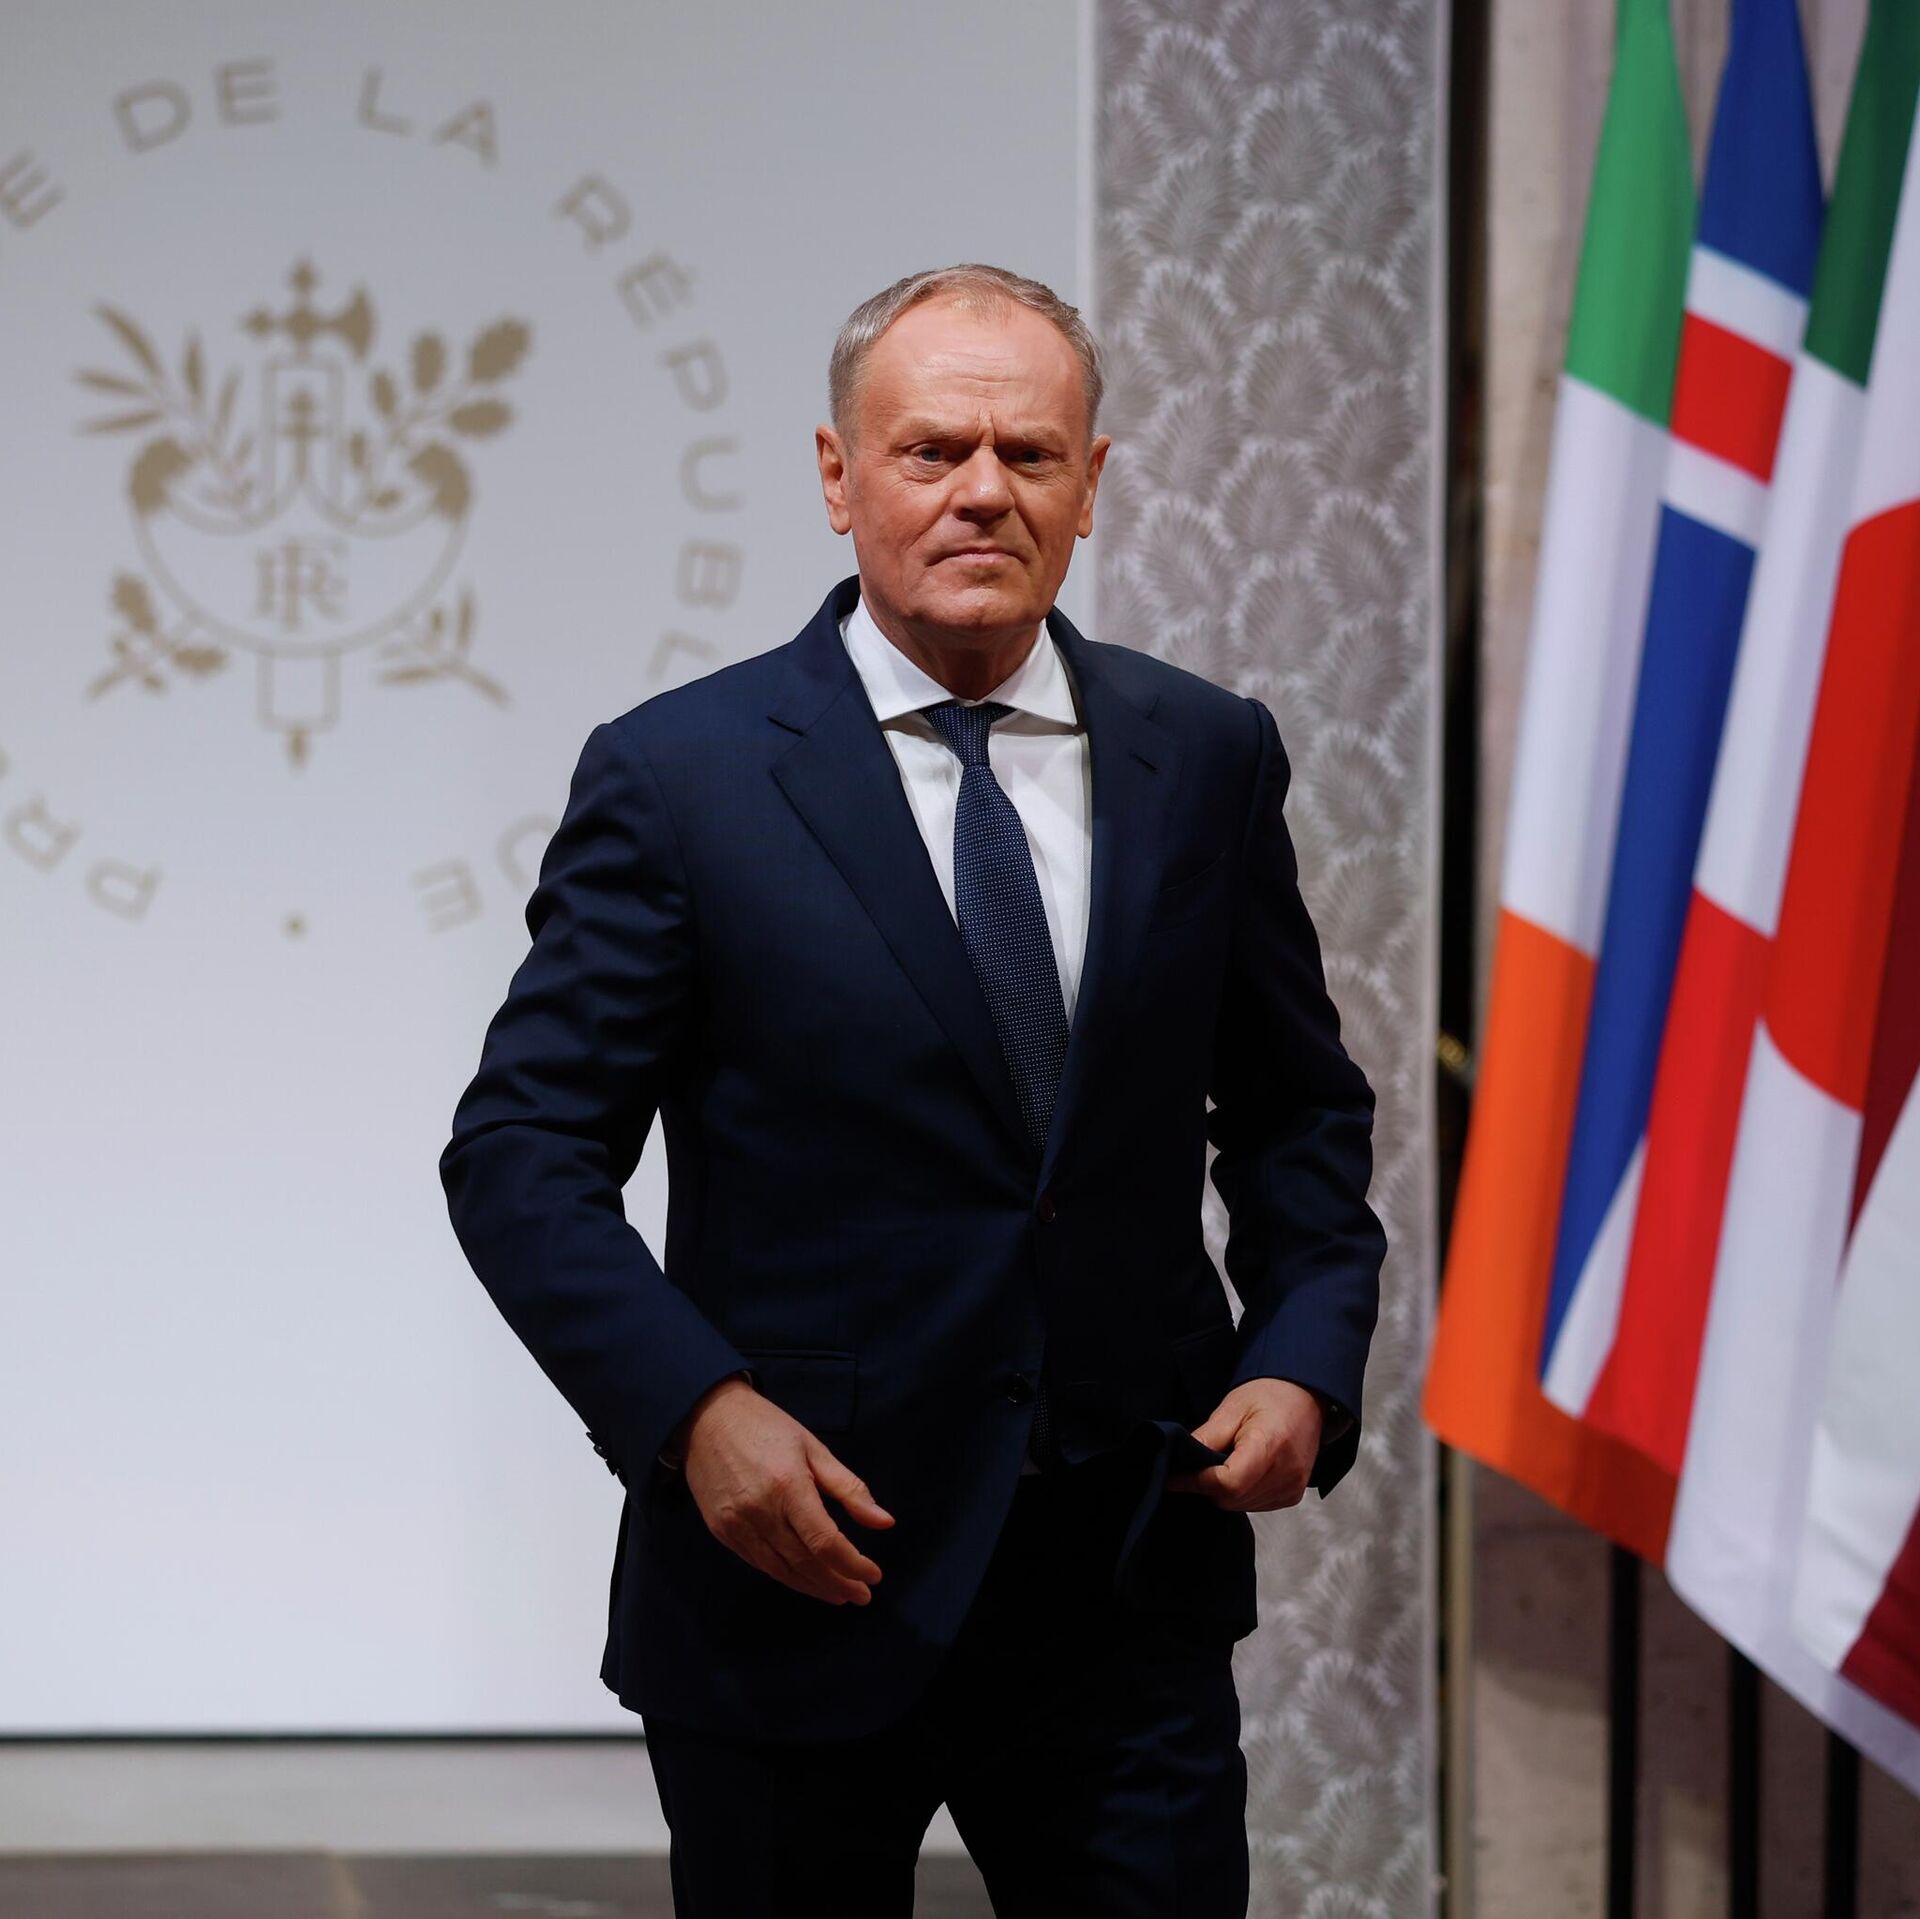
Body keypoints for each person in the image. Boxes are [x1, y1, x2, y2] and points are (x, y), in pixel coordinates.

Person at [439, 261, 1386, 1916]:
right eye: (933, 449)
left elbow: (1296, 1107)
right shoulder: (681, 777)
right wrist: (695, 1414)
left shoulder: (1206, 753)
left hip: (1125, 1579)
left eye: (1029, 455)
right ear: (838, 475)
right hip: (797, 1564)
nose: (981, 492)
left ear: (1091, 484)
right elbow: (521, 1151)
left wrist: (1306, 1350)